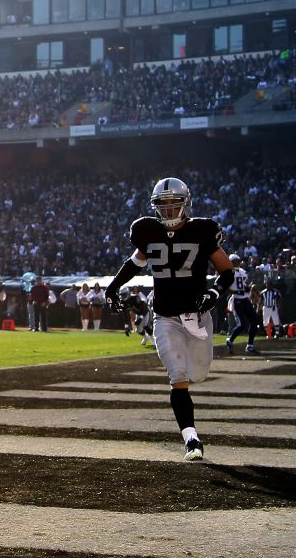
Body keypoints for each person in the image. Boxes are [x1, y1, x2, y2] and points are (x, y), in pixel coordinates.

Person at [105, 177, 235, 462]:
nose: (167, 211)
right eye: (162, 206)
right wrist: (113, 286)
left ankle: (191, 431)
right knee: (177, 376)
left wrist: (213, 292)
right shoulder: (146, 231)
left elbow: (227, 271)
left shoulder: (203, 230)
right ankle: (191, 439)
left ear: (185, 204)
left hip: (197, 315)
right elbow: (136, 263)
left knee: (198, 373)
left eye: (173, 205)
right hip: (164, 316)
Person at [224, 253, 259, 355]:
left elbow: (243, 286)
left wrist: (249, 288)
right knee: (241, 324)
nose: (238, 262)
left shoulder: (242, 272)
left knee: (254, 320)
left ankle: (250, 345)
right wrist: (236, 292)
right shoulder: (228, 273)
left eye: (238, 260)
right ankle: (230, 340)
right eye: (236, 261)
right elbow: (226, 288)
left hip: (245, 300)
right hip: (237, 301)